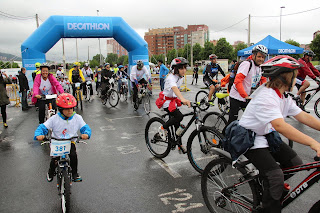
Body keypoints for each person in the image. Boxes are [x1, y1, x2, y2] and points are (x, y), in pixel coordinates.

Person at [233, 55, 320, 212]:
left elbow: (303, 116)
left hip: (266, 134)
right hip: (250, 139)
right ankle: (269, 204)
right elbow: (280, 126)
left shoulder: (283, 95)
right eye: (295, 75)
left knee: (295, 163)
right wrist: (313, 143)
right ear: (286, 77)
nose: (297, 79)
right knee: (275, 176)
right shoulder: (267, 96)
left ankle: (269, 189)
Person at [34, 93, 91, 182]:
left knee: (73, 155)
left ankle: (75, 173)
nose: (70, 111)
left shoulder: (77, 118)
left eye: (71, 108)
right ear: (60, 109)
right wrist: (39, 135)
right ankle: (50, 172)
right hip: (57, 142)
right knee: (55, 159)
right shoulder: (54, 119)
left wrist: (86, 133)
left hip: (70, 141)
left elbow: (85, 127)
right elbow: (42, 127)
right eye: (67, 109)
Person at [156, 57, 191, 150]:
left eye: (185, 68)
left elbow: (176, 91)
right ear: (175, 69)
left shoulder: (180, 77)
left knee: (177, 124)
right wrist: (183, 99)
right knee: (179, 116)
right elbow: (174, 88)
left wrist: (181, 100)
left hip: (173, 101)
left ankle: (179, 144)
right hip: (166, 102)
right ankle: (163, 128)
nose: (184, 70)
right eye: (181, 68)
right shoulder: (170, 78)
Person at [227, 44, 268, 125]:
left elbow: (264, 81)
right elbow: (238, 81)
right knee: (233, 121)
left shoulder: (260, 67)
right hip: (237, 96)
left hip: (248, 97)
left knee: (252, 119)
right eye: (259, 56)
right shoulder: (247, 64)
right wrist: (245, 95)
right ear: (253, 55)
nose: (261, 59)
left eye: (263, 57)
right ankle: (225, 136)